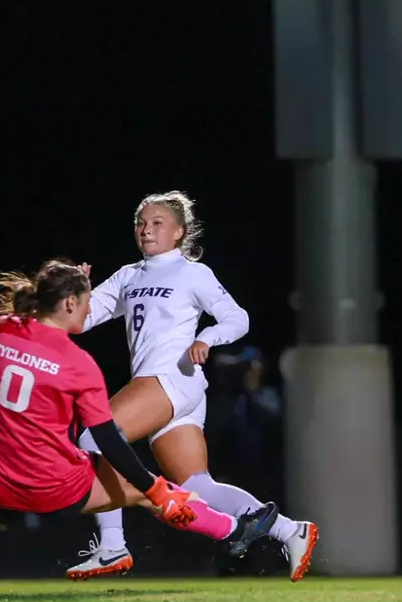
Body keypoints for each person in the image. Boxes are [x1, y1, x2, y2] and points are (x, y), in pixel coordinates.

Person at [0, 260, 279, 597]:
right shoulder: (79, 364)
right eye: (86, 302)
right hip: (54, 484)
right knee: (146, 491)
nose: (91, 311)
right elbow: (107, 439)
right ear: (69, 301)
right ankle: (230, 530)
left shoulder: (2, 330)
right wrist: (153, 488)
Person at [65, 191, 318, 582]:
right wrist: (78, 292)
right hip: (169, 391)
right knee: (197, 486)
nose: (147, 229)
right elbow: (80, 321)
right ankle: (290, 530)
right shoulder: (128, 276)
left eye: (157, 223)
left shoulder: (192, 273)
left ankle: (112, 546)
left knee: (94, 439)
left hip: (170, 379)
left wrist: (207, 339)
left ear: (179, 232)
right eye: (141, 223)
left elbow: (238, 319)